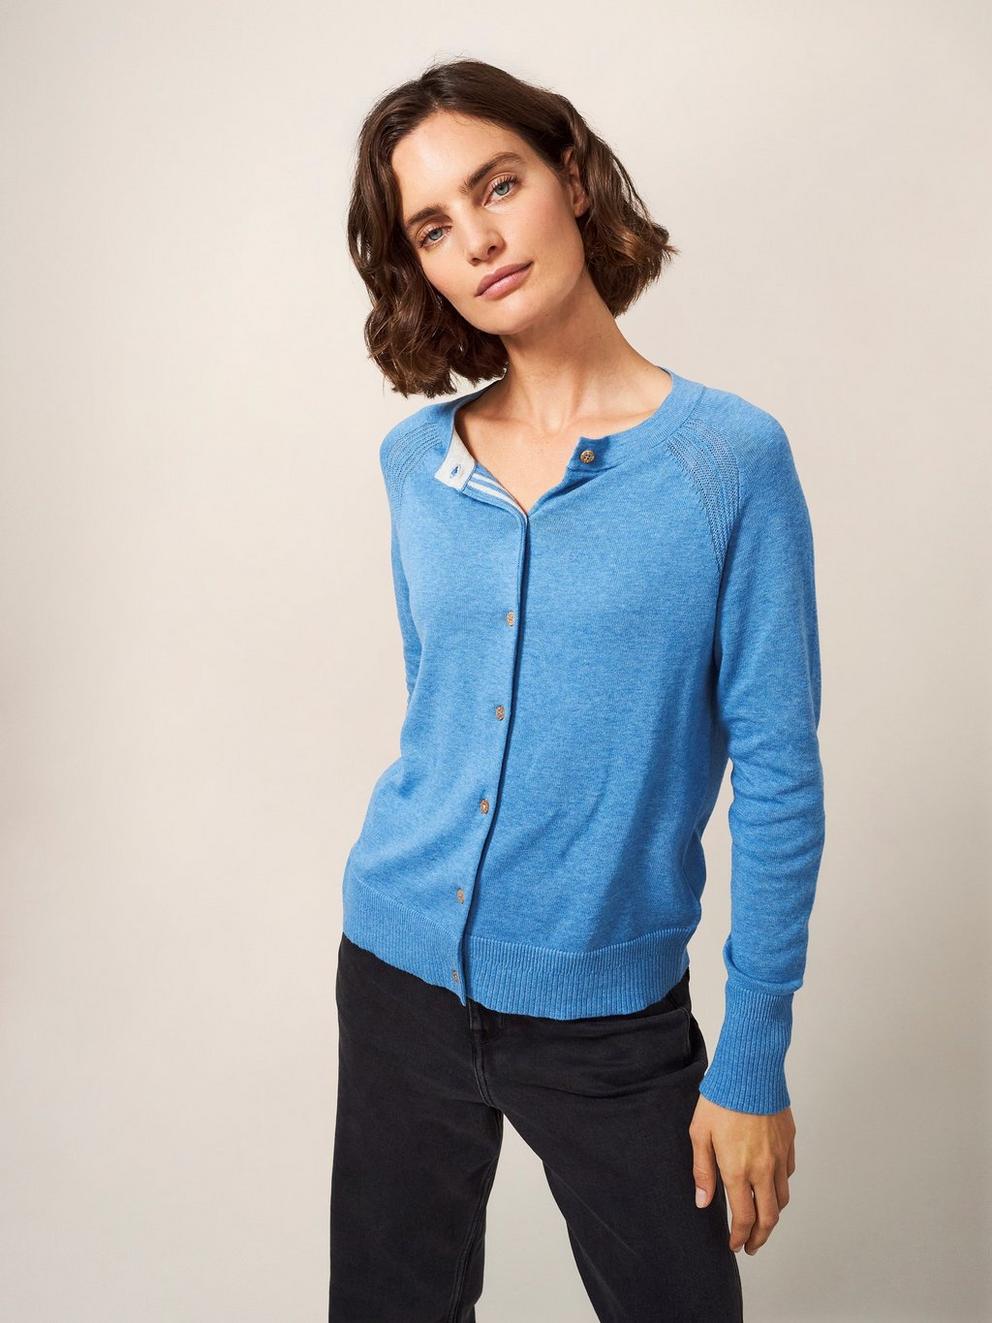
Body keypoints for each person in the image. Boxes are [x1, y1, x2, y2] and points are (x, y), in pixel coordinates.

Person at [329, 56, 825, 1323]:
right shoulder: (414, 463)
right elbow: (441, 709)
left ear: (571, 177)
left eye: (497, 186)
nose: (477, 240)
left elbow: (777, 772)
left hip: (608, 1017)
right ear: (421, 269)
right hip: (394, 976)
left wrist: (752, 1054)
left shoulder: (727, 461)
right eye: (431, 227)